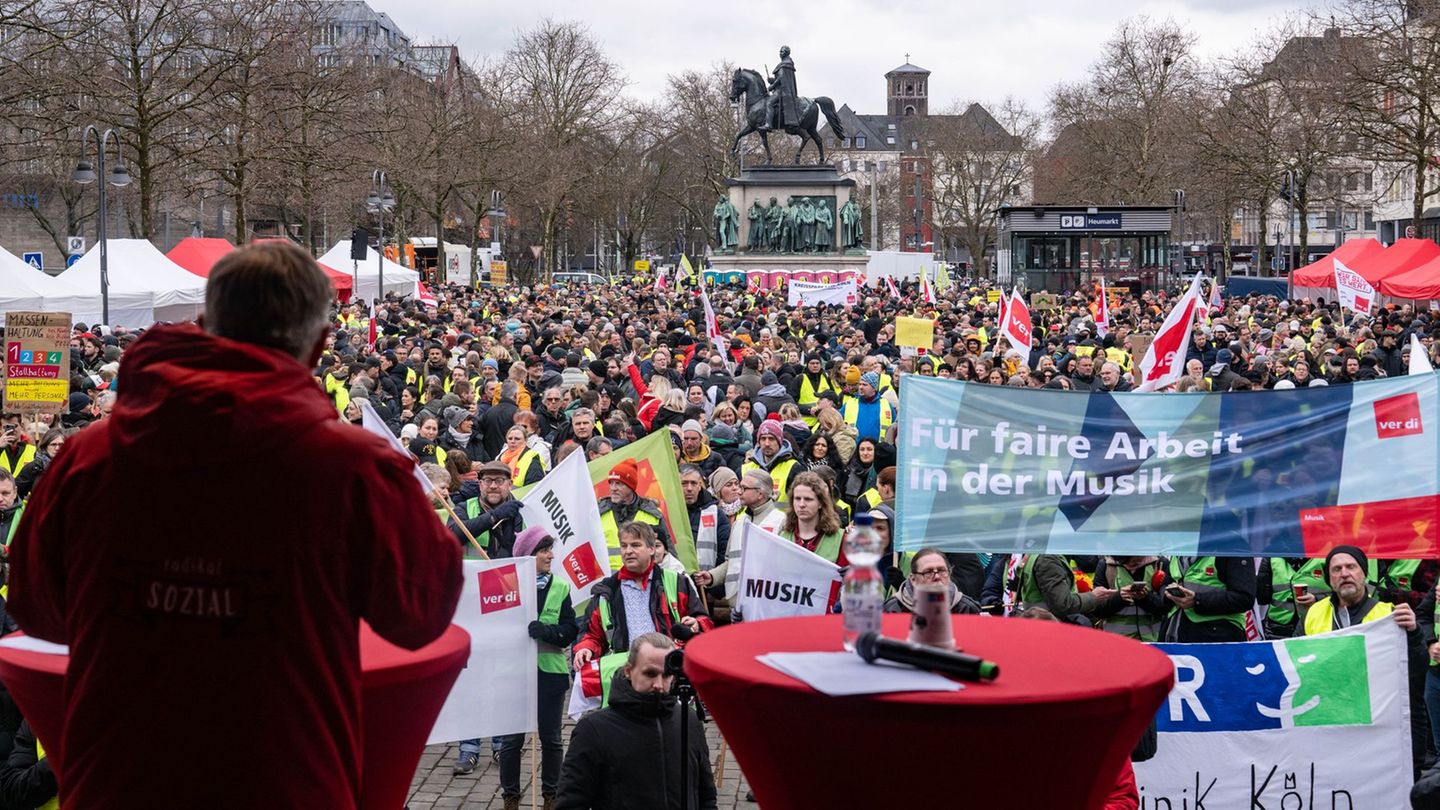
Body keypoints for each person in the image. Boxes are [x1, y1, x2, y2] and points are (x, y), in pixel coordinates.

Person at [7, 241, 464, 808]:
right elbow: (418, 619)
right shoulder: (357, 470)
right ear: (321, 344)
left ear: (204, 323)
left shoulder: (87, 458)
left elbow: (38, 613)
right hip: (288, 782)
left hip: (118, 781)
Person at [556, 632, 717, 810]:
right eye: (650, 673)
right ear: (628, 671)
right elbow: (570, 802)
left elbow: (705, 794)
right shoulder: (594, 729)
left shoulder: (688, 720)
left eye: (666, 675)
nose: (659, 684)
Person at [483, 528, 579, 809]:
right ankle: (510, 797)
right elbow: (490, 628)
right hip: (513, 674)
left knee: (551, 740)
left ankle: (552, 796)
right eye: (543, 550)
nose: (550, 555)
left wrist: (547, 631)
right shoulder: (504, 585)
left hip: (550, 674)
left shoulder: (560, 587)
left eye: (550, 549)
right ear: (527, 556)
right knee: (512, 741)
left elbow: (570, 629)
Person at [572, 522, 711, 678]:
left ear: (651, 549)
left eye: (635, 545)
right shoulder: (607, 591)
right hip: (625, 676)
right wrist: (586, 648)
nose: (628, 551)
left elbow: (703, 619)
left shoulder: (677, 582)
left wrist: (697, 624)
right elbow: (591, 634)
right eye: (624, 546)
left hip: (669, 673)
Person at [1162, 553, 1256, 643]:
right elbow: (1166, 583)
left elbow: (1244, 598)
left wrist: (1197, 600)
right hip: (1174, 632)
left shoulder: (1233, 545)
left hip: (1217, 637)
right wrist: (1168, 594)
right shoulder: (1180, 548)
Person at [597, 458, 671, 571]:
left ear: (630, 487)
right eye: (611, 483)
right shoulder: (597, 514)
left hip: (645, 583)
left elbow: (669, 556)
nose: (613, 488)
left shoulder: (653, 515)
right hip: (608, 584)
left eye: (619, 484)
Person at [883, 548, 982, 615]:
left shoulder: (967, 609)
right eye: (928, 572)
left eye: (942, 570)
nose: (937, 576)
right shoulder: (893, 609)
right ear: (913, 579)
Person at [778, 472, 846, 565]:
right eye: (797, 498)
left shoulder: (841, 539)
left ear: (821, 503)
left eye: (808, 499)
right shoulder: (782, 537)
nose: (801, 505)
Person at [741, 420, 799, 503]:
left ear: (779, 441)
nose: (767, 443)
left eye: (771, 439)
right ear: (759, 442)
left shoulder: (793, 468)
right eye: (763, 439)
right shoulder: (747, 467)